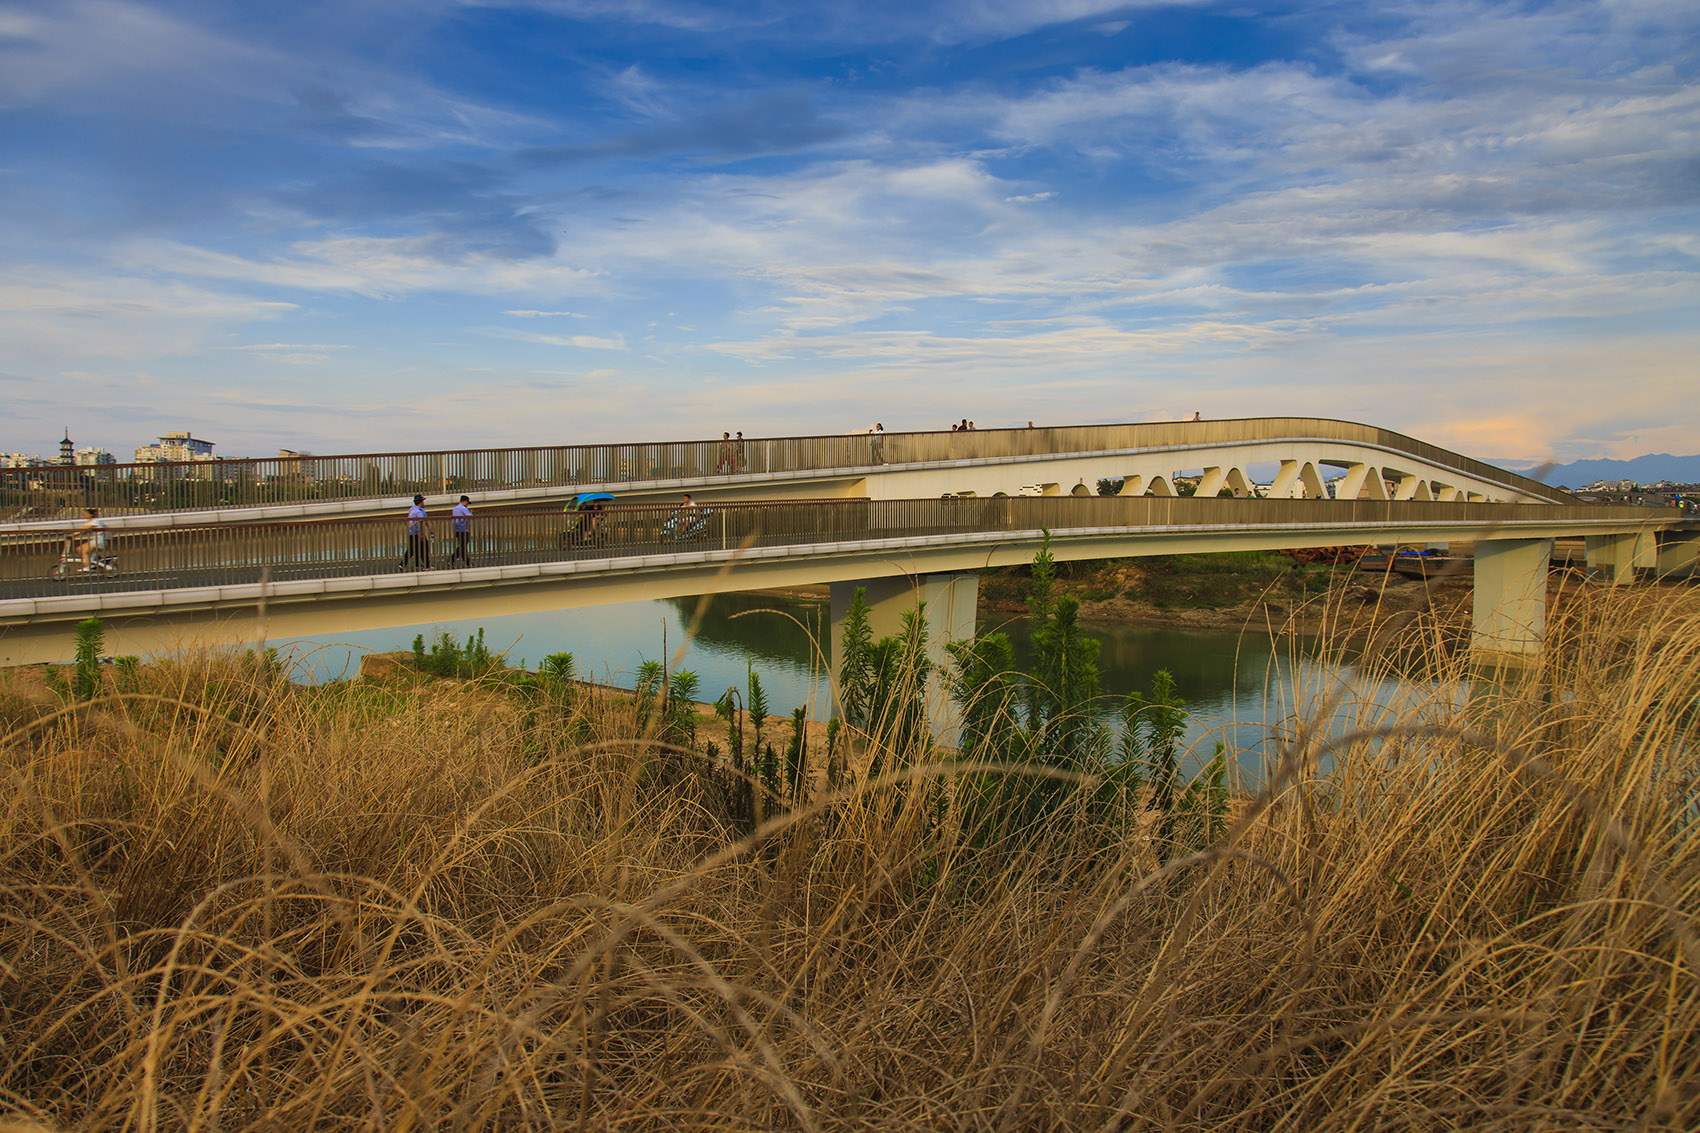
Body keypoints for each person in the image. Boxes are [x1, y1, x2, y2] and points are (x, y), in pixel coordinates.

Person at [400, 494, 430, 570]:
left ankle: (403, 564)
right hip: (417, 533)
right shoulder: (419, 512)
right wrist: (421, 535)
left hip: (412, 532)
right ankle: (426, 566)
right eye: (423, 501)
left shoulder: (412, 509)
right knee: (424, 548)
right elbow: (420, 523)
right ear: (421, 502)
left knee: (412, 550)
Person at [72, 507, 106, 571]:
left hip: (98, 540)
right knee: (79, 549)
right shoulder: (89, 522)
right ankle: (95, 560)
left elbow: (85, 528)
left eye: (85, 513)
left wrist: (74, 534)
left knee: (83, 550)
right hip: (95, 540)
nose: (84, 515)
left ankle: (88, 566)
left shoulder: (95, 521)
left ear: (90, 514)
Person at [448, 495, 473, 567]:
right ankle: (452, 558)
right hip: (463, 529)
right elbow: (470, 516)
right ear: (465, 501)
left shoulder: (455, 508)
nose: (467, 504)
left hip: (457, 529)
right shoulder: (463, 508)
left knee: (463, 546)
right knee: (463, 546)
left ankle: (467, 562)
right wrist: (470, 512)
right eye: (467, 503)